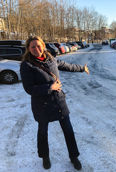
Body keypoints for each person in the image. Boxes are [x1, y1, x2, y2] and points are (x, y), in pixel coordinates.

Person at [20, 36, 89, 170]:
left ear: (43, 45)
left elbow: (66, 66)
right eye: (33, 47)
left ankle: (74, 157)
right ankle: (45, 157)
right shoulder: (26, 65)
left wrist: (81, 68)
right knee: (43, 132)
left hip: (58, 102)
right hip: (42, 105)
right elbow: (29, 88)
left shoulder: (51, 58)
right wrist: (49, 88)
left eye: (38, 45)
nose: (36, 49)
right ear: (28, 49)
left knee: (68, 131)